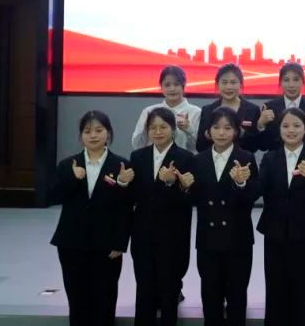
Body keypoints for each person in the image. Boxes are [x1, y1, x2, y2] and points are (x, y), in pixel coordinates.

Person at [50, 110, 134, 326]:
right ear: (81, 136)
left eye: (98, 130)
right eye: (87, 131)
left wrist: (120, 242)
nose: (93, 135)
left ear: (108, 133)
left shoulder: (121, 166)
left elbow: (126, 208)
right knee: (77, 299)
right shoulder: (68, 164)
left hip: (107, 244)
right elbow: (54, 196)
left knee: (105, 298)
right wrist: (73, 178)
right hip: (71, 242)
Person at [180, 106, 261, 326]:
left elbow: (253, 196)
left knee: (237, 296)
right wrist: (185, 187)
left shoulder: (246, 158)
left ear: (236, 131)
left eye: (227, 128)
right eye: (216, 127)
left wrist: (241, 183)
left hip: (238, 238)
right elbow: (193, 200)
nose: (222, 132)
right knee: (210, 296)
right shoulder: (198, 160)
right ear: (208, 131)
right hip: (208, 239)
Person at [257, 107, 305, 326]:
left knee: (303, 286)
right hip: (274, 230)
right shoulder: (269, 158)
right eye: (285, 125)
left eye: (297, 125)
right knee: (275, 286)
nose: (291, 130)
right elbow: (260, 188)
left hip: (304, 231)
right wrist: (241, 181)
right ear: (279, 129)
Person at [129, 107, 194, 326]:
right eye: (153, 128)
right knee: (144, 288)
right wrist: (123, 182)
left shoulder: (185, 158)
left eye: (163, 127)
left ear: (173, 129)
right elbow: (135, 196)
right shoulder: (138, 157)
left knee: (169, 291)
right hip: (143, 233)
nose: (158, 132)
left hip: (172, 235)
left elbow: (188, 199)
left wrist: (171, 184)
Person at [196, 64, 266, 153]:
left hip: (243, 160)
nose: (228, 87)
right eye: (224, 82)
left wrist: (242, 133)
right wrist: (208, 137)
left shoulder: (252, 110)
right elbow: (200, 147)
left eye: (233, 82)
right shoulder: (208, 110)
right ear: (217, 84)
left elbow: (254, 147)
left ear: (240, 84)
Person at [131, 65, 202, 152]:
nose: (172, 89)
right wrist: (146, 127)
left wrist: (188, 129)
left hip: (185, 159)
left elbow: (198, 148)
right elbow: (137, 145)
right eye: (167, 85)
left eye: (176, 84)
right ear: (161, 87)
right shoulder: (149, 111)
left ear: (183, 85)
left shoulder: (196, 112)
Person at [257, 61, 305, 153]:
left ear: (303, 82)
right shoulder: (269, 108)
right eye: (286, 80)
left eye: (296, 80)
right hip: (276, 160)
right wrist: (261, 125)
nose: (291, 85)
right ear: (280, 82)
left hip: (303, 161)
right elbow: (263, 147)